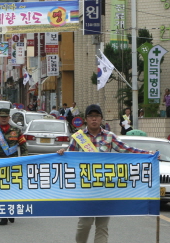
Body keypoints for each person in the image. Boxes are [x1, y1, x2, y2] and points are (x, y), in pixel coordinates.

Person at [56, 104, 152, 243]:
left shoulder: (109, 136)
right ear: (86, 119)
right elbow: (68, 158)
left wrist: (148, 154)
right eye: (91, 116)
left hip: (105, 188)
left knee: (102, 226)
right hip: (85, 190)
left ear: (101, 119)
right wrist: (61, 154)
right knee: (85, 224)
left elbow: (127, 150)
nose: (94, 119)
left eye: (97, 116)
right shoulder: (78, 137)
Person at [0, 109, 27, 225]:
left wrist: (25, 161)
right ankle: (3, 215)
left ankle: (11, 212)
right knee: (0, 190)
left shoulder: (16, 131)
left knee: (12, 190)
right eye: (1, 117)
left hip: (12, 165)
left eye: (5, 117)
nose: (3, 119)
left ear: (9, 118)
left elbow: (23, 147)